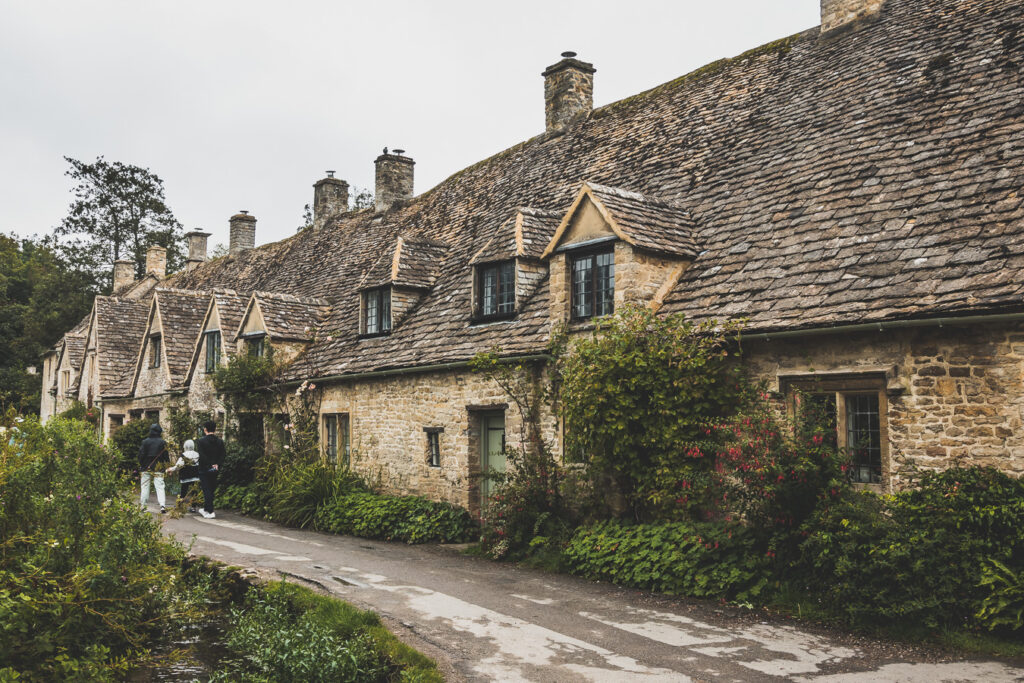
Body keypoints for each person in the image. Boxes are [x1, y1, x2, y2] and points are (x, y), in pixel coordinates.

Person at [195, 420, 225, 519]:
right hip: (215, 468)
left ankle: (210, 511)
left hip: (204, 468)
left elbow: (202, 455)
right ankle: (206, 509)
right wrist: (217, 464)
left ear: (205, 429)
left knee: (206, 489)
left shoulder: (201, 441)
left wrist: (209, 465)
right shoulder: (220, 441)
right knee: (211, 489)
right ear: (215, 429)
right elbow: (223, 455)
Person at [138, 423, 170, 513]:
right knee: (160, 487)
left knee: (144, 487)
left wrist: (141, 464)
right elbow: (166, 456)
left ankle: (143, 506)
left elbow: (141, 455)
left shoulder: (145, 442)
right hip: (158, 467)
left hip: (145, 467)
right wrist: (167, 466)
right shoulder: (162, 442)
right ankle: (162, 506)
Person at [166, 438, 201, 512]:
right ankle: (193, 507)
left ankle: (180, 505)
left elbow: (178, 466)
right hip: (195, 477)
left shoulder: (184, 455)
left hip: (185, 477)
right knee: (194, 492)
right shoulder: (197, 454)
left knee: (183, 492)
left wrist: (170, 469)